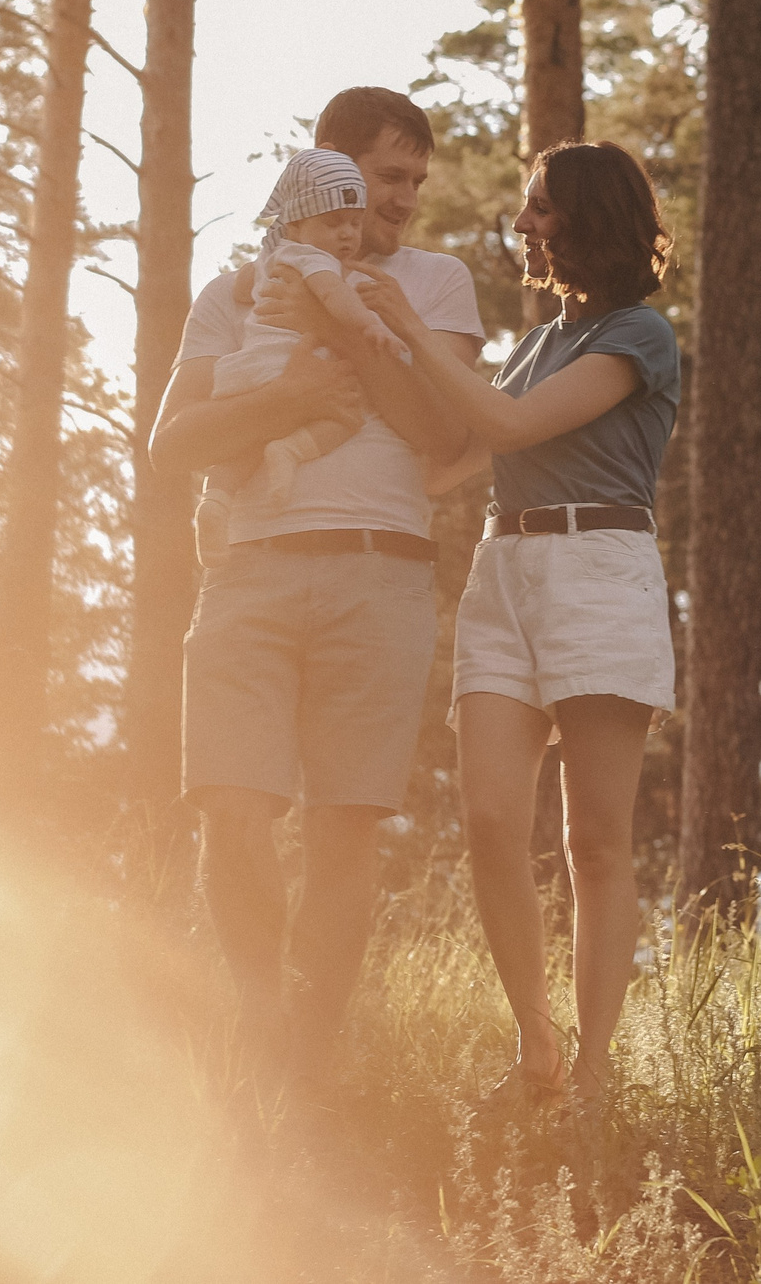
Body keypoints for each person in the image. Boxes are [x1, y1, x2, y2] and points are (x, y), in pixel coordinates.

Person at [148, 87, 485, 1093]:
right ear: (326, 174)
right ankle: (258, 1018)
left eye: (415, 182)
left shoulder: (439, 283)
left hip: (382, 571)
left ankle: (310, 1051)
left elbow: (446, 434)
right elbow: (175, 444)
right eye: (387, 178)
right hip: (247, 569)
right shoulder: (237, 289)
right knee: (232, 807)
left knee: (344, 821)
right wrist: (294, 395)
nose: (403, 201)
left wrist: (353, 332)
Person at [345, 139, 679, 1109]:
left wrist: (404, 319)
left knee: (595, 844)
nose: (523, 225)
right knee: (490, 822)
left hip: (598, 571)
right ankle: (537, 1037)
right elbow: (454, 452)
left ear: (588, 216)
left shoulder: (639, 335)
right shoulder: (536, 344)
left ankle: (594, 1069)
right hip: (506, 571)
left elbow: (511, 429)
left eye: (538, 207)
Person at [194, 147, 409, 567]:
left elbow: (243, 289)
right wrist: (372, 324)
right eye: (333, 223)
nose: (348, 235)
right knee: (346, 417)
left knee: (247, 443)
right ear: (294, 223)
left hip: (251, 369)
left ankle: (215, 499)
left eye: (354, 222)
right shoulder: (312, 258)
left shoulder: (273, 259)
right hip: (286, 363)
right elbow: (336, 297)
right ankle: (291, 451)